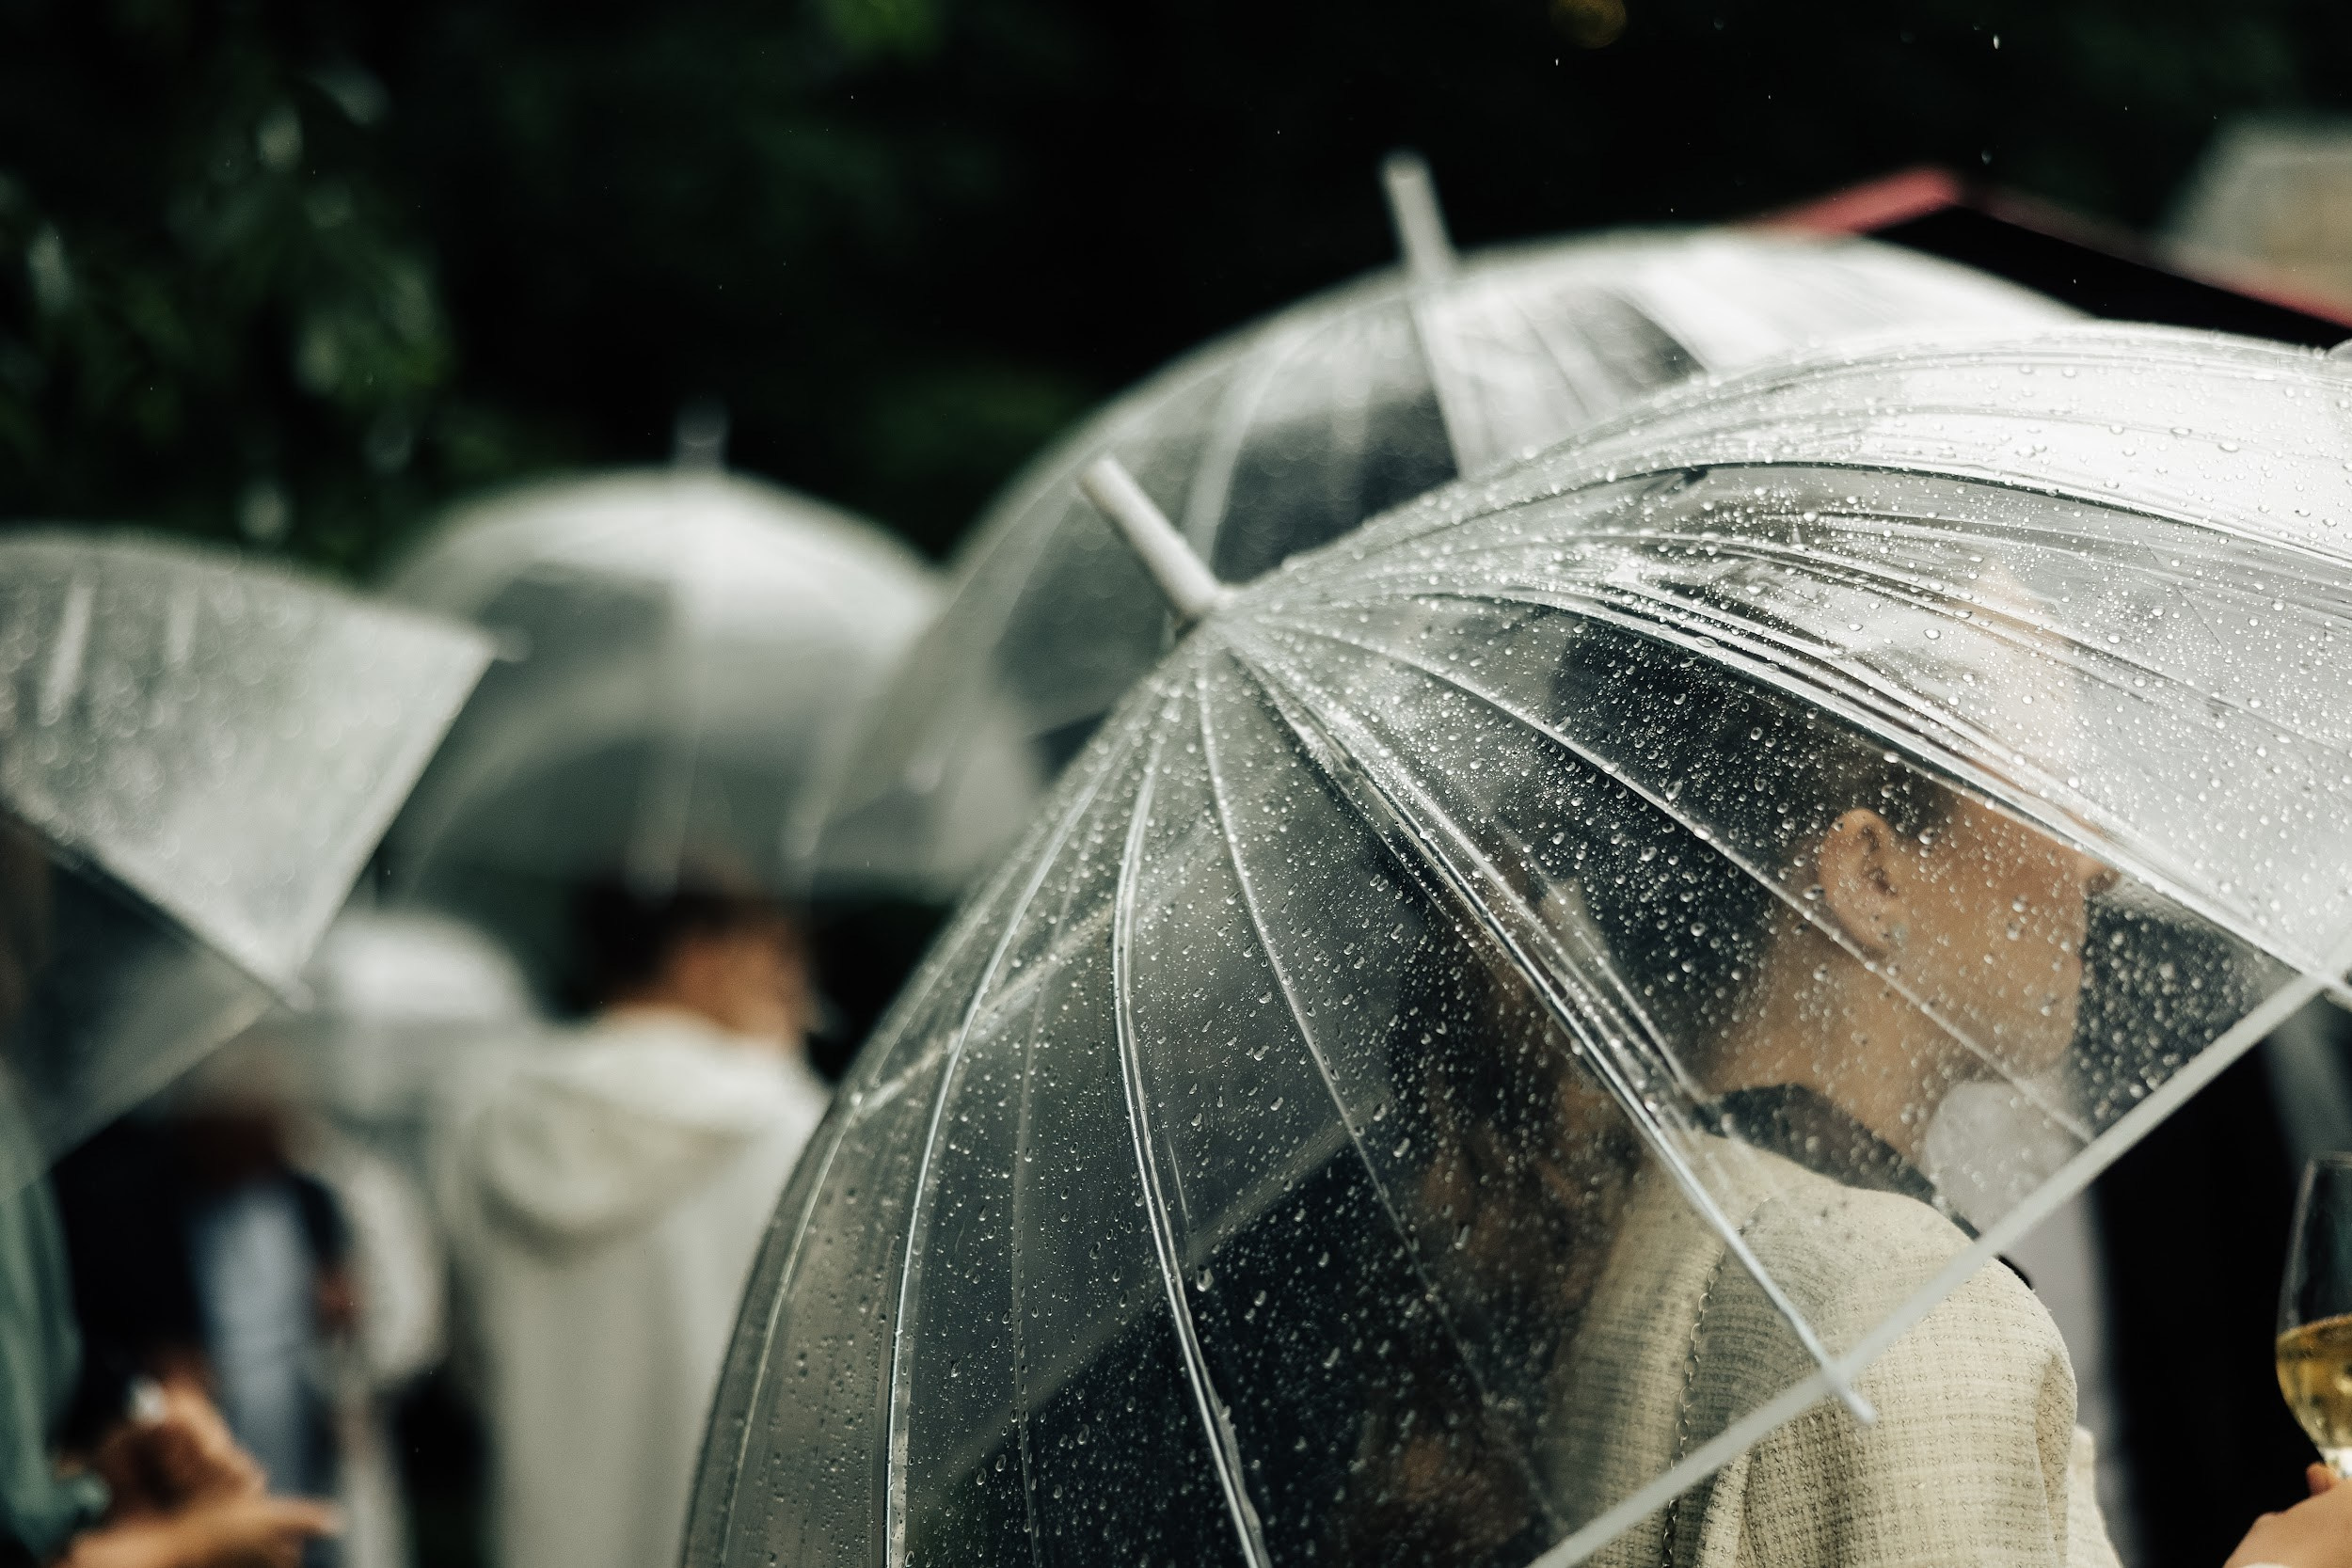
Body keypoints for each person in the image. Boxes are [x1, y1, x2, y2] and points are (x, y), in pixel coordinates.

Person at [438, 876, 828, 1568]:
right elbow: (833, 1372)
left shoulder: (493, 1119)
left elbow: (467, 1355)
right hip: (729, 1532)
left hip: (548, 1532)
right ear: (700, 957)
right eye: (770, 960)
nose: (793, 989)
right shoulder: (786, 1122)